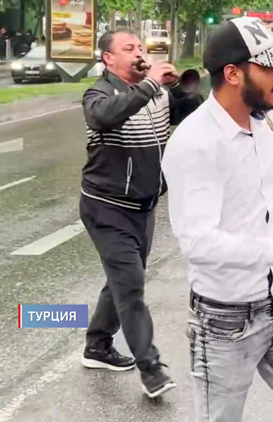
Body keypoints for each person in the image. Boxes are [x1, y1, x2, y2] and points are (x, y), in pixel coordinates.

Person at [161, 17, 273, 421]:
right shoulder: (194, 144)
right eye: (270, 67)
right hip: (226, 319)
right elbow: (199, 243)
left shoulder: (263, 120)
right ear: (233, 73)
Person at [79, 28, 200, 397]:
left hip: (143, 207)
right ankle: (152, 369)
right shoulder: (98, 94)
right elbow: (103, 117)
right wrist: (149, 84)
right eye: (128, 48)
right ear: (108, 59)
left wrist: (182, 87)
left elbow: (194, 110)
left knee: (122, 280)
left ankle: (97, 346)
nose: (138, 52)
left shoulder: (156, 93)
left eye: (140, 47)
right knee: (131, 285)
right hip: (106, 207)